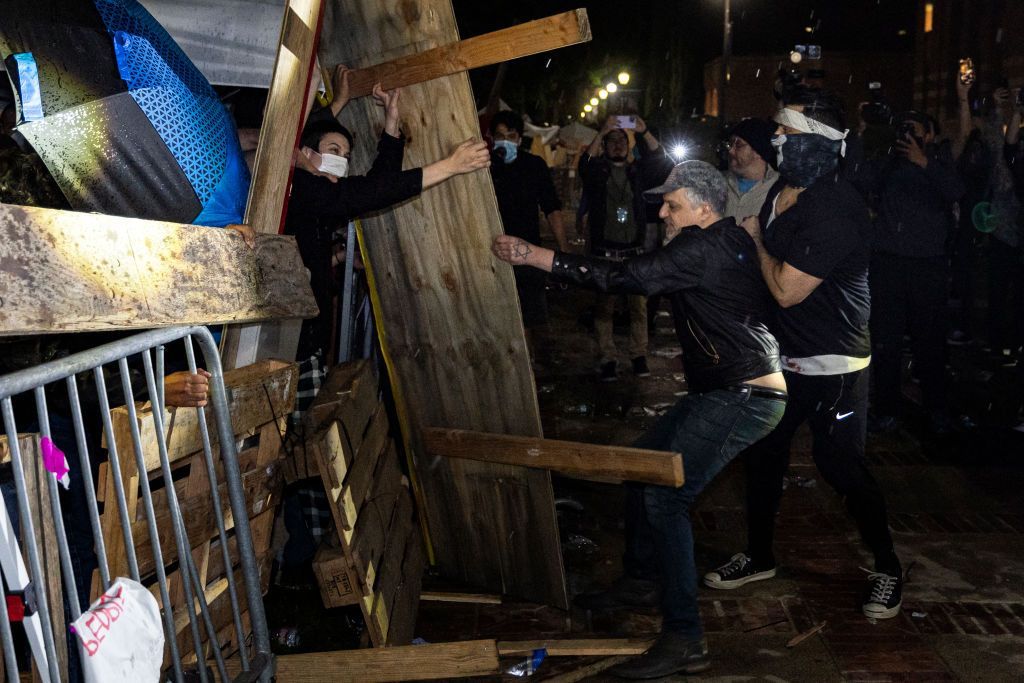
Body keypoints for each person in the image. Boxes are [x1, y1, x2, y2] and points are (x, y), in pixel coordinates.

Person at [493, 161, 787, 678]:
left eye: (672, 204)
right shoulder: (724, 242)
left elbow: (623, 278)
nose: (663, 212)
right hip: (730, 389)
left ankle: (684, 638)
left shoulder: (699, 247)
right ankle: (642, 578)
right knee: (642, 466)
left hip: (743, 396)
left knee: (665, 495)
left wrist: (530, 254)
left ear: (703, 206)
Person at [707, 86, 905, 622]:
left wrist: (755, 242)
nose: (775, 138)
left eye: (785, 131)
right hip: (785, 357)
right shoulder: (781, 191)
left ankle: (888, 566)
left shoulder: (836, 207)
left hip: (833, 363)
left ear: (818, 140)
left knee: (839, 466)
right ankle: (761, 555)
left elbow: (787, 288)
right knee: (763, 455)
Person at [848, 106, 965, 432]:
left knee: (930, 341)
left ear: (928, 135)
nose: (907, 137)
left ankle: (937, 408)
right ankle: (886, 409)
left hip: (928, 266)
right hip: (889, 264)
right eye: (903, 131)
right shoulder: (889, 164)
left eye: (914, 130)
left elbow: (956, 191)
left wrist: (923, 162)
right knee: (886, 342)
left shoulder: (940, 162)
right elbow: (859, 177)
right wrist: (859, 134)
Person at [579, 116, 672, 381]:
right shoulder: (598, 171)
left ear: (630, 145)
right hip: (604, 252)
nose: (618, 145)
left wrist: (644, 131)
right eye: (613, 141)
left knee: (638, 307)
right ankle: (608, 357)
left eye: (622, 140)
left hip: (634, 252)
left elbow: (661, 161)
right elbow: (584, 164)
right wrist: (603, 130)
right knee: (604, 307)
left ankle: (638, 355)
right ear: (606, 145)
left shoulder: (637, 172)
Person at [488, 110, 568, 361]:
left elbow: (551, 209)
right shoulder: (485, 166)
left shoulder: (534, 166)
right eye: (500, 136)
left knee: (533, 316)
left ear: (519, 139)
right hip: (491, 252)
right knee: (498, 315)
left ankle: (531, 364)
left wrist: (562, 250)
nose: (505, 141)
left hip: (527, 252)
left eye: (510, 136)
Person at [723, 117, 780, 221]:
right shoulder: (718, 182)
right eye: (730, 144)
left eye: (739, 145)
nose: (731, 151)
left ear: (758, 151)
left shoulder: (778, 187)